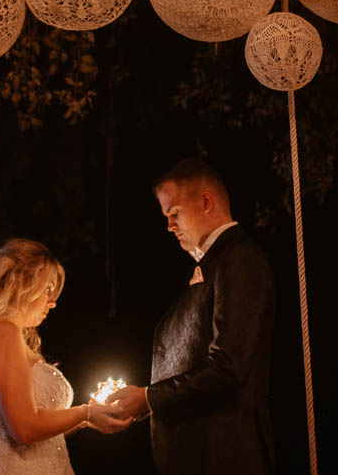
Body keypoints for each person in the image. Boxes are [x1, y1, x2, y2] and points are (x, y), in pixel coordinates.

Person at [110, 159, 276, 475]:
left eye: (174, 213)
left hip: (225, 456)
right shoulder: (208, 267)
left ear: (205, 201)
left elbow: (228, 367)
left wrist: (148, 398)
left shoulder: (239, 259)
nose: (169, 226)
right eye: (166, 217)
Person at [0, 238, 133, 474]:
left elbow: (40, 435)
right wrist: (85, 412)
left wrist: (86, 419)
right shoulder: (1, 332)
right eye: (48, 289)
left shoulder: (4, 334)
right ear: (21, 285)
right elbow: (23, 429)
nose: (53, 302)